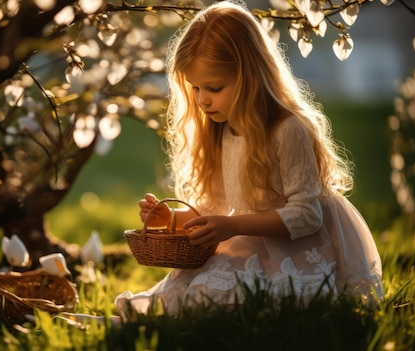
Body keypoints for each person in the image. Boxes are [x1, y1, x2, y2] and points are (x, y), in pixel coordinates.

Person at [115, 1, 383, 318]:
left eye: (214, 87)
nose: (202, 99)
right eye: (196, 87)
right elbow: (216, 211)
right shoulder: (224, 131)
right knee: (185, 287)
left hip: (299, 249)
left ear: (250, 76)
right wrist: (169, 218)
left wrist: (234, 226)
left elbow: (307, 215)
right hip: (250, 240)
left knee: (212, 294)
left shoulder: (287, 130)